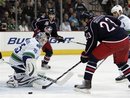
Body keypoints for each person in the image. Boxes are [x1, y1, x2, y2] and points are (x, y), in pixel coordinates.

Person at [74, 12, 130, 91]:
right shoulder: (102, 16)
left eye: (82, 21)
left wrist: (86, 55)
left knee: (92, 59)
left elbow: (92, 43)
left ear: (86, 19)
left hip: (113, 42)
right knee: (121, 63)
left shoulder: (90, 26)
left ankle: (87, 83)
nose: (82, 23)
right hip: (125, 39)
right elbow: (118, 21)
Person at [111, 5, 130, 82]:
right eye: (113, 13)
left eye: (115, 13)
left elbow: (119, 31)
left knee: (119, 57)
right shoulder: (123, 18)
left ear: (120, 11)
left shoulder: (121, 19)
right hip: (127, 39)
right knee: (126, 57)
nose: (114, 15)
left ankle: (123, 74)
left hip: (127, 39)